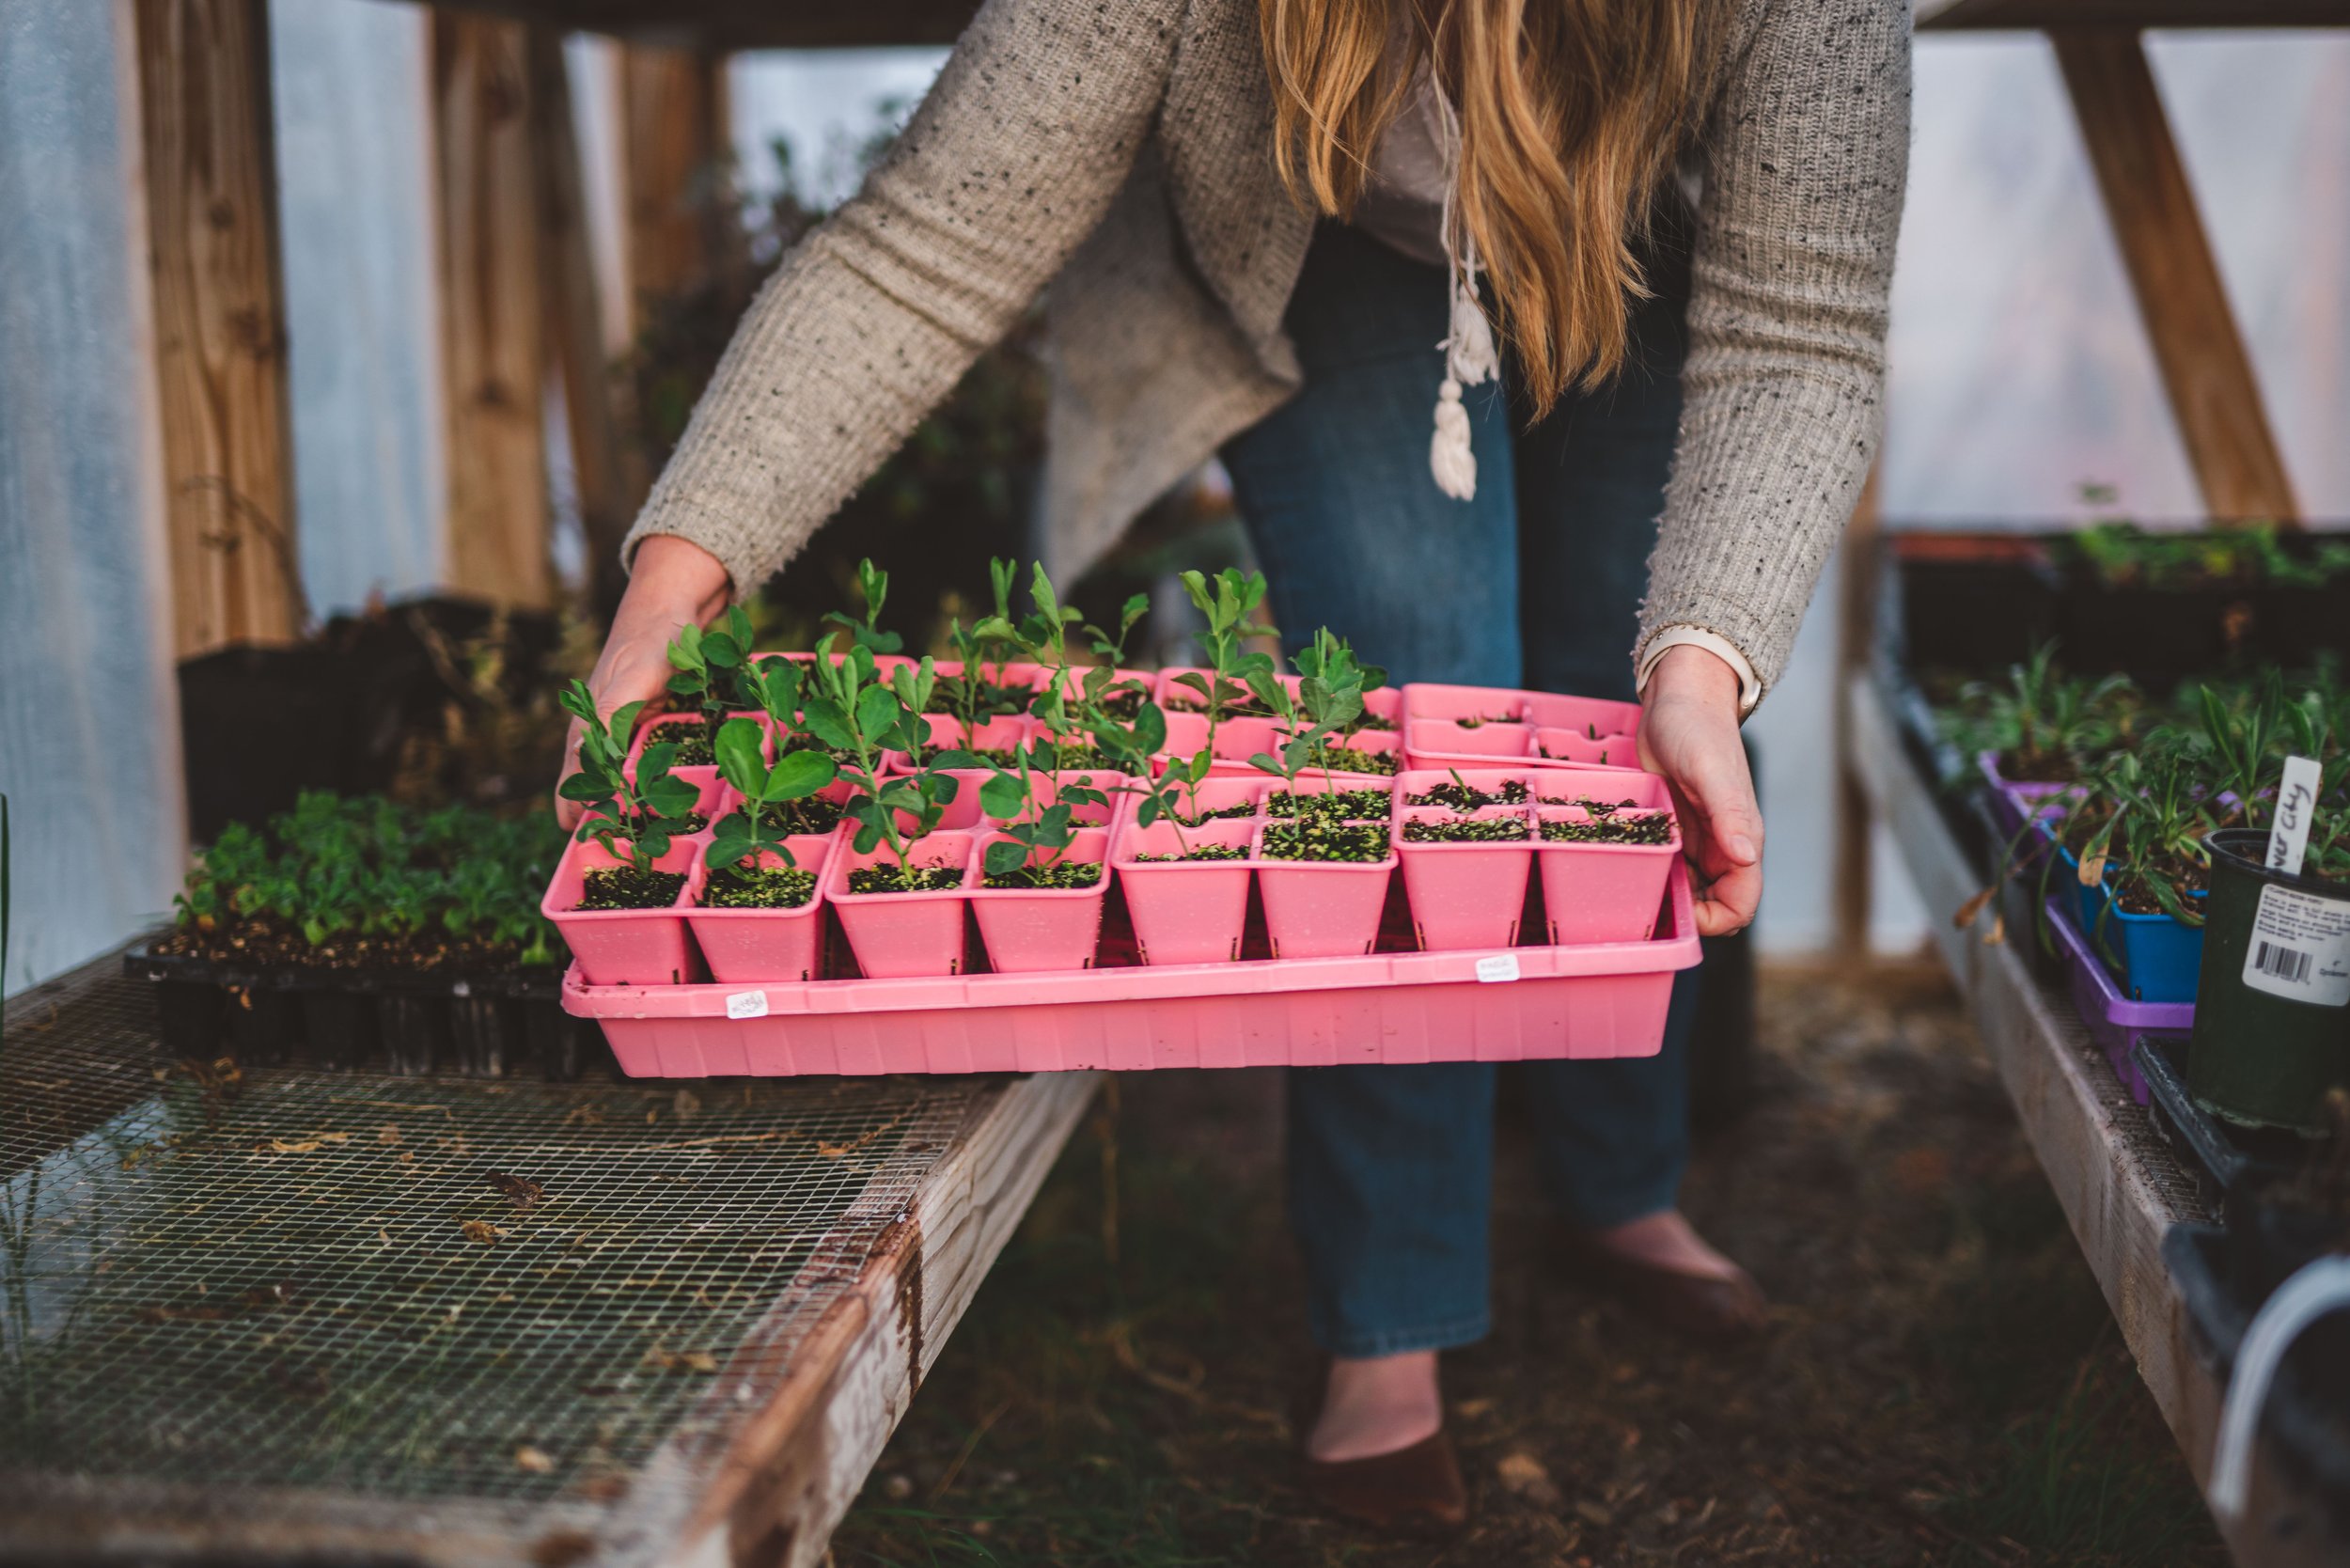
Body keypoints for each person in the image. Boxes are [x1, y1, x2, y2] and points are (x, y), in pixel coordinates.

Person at [560, 0, 1909, 1532]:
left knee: (1627, 688)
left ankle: (1621, 1187)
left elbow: (1799, 329)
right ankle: (1391, 1318)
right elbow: (921, 243)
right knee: (1412, 714)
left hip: (1637, 232)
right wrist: (676, 579)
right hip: (1332, 239)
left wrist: (1706, 662)